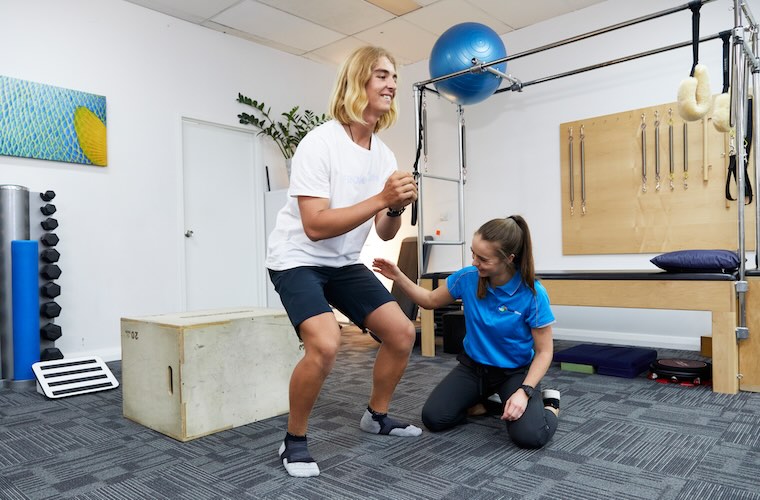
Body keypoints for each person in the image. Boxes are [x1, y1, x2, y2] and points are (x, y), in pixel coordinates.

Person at [266, 46, 421, 478]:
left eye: (394, 77)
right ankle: (293, 440)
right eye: (382, 76)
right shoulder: (320, 143)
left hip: (343, 261)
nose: (391, 84)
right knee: (325, 343)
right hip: (296, 258)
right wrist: (382, 198)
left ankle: (376, 415)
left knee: (402, 332)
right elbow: (314, 226)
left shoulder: (384, 155)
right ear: (358, 82)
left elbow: (386, 232)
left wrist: (395, 208)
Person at [373, 215, 560, 449]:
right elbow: (430, 300)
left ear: (508, 259)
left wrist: (525, 391)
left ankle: (550, 405)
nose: (474, 262)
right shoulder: (468, 278)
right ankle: (486, 404)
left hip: (514, 373)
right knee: (435, 417)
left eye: (483, 259)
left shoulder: (532, 294)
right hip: (475, 368)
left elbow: (544, 352)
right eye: (473, 253)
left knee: (530, 437)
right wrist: (398, 276)